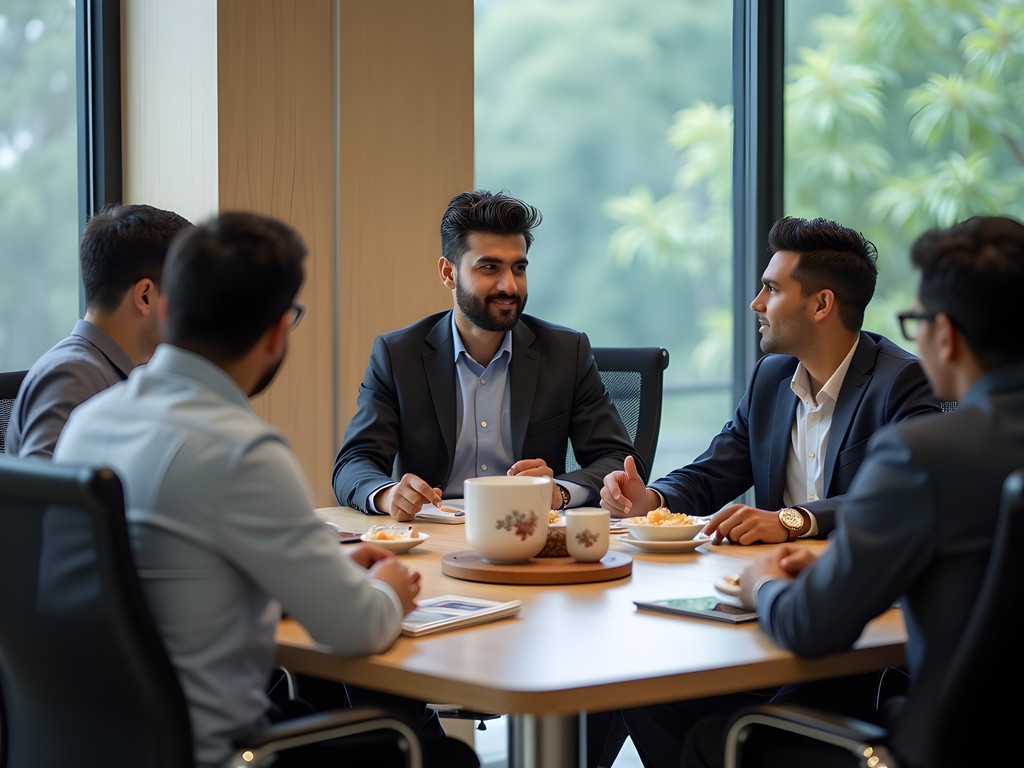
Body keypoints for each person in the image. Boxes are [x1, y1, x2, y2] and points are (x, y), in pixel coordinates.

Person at [53, 211, 479, 768]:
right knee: (444, 759)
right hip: (221, 752)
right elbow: (357, 629)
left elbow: (172, 572)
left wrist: (325, 573)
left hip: (93, 742)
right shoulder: (240, 450)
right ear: (278, 331)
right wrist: (391, 589)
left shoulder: (89, 423)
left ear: (165, 309)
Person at [676, 214, 1024, 767]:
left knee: (704, 739)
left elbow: (811, 627)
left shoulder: (924, 452)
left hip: (926, 748)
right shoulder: (774, 381)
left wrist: (763, 584)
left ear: (947, 336)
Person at [602, 215, 940, 543]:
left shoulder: (901, 381)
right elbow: (711, 473)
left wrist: (791, 520)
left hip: (861, 586)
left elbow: (907, 494)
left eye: (772, 289)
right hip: (771, 579)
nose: (756, 303)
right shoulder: (771, 377)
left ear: (822, 304)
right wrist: (651, 500)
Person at [333, 189, 640, 521]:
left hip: (530, 536)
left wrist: (559, 492)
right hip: (433, 535)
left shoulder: (567, 353)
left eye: (518, 268)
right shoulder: (398, 355)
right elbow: (353, 464)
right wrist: (389, 493)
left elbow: (617, 460)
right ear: (448, 274)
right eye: (490, 268)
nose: (509, 285)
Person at [6, 203, 191, 458]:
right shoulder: (74, 377)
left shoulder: (110, 371)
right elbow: (47, 492)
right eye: (184, 294)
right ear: (145, 296)